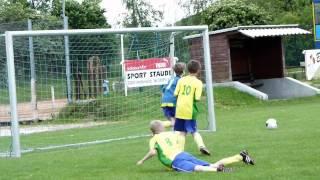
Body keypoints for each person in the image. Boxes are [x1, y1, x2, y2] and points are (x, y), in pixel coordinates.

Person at [136, 120, 255, 173]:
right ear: (162, 127)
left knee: (197, 169)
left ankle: (220, 170)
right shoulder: (170, 133)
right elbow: (177, 135)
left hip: (176, 160)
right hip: (183, 154)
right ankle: (240, 156)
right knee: (210, 164)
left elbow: (152, 152)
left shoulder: (153, 139)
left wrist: (142, 160)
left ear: (152, 131)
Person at [174, 60, 210, 155]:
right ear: (198, 70)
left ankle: (180, 152)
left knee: (182, 132)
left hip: (179, 109)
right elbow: (197, 98)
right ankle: (201, 146)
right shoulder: (198, 82)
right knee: (194, 131)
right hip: (189, 110)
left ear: (187, 69)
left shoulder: (181, 80)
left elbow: (175, 94)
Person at [160, 62, 185, 128]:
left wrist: (163, 101)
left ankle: (159, 125)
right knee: (178, 121)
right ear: (183, 71)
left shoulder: (170, 79)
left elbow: (163, 91)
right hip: (173, 102)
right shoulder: (180, 80)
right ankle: (158, 125)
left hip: (164, 102)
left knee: (173, 121)